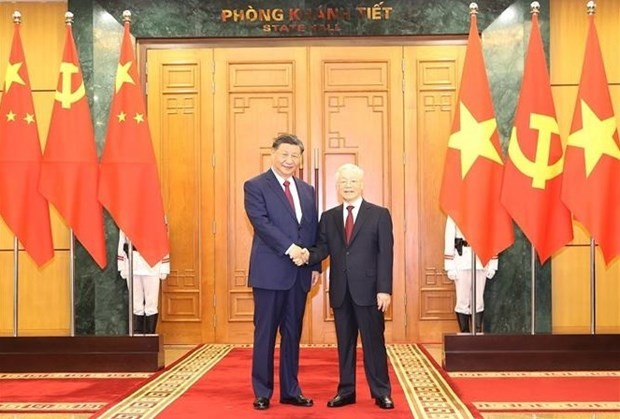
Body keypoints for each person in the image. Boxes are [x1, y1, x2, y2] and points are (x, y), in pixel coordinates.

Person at [297, 163, 395, 410]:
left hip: (371, 292)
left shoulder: (379, 214)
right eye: (343, 182)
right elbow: (322, 248)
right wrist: (307, 257)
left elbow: (386, 255)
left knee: (374, 344)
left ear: (361, 184)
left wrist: (385, 289)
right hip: (341, 292)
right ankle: (346, 391)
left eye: (352, 181)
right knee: (345, 345)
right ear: (338, 187)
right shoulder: (328, 217)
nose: (348, 186)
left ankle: (381, 391)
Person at [243, 133, 320, 411]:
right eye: (284, 154)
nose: (289, 160)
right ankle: (262, 391)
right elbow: (261, 224)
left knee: (292, 332)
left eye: (295, 156)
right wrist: (291, 249)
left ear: (300, 159)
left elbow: (311, 230)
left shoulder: (307, 190)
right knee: (265, 333)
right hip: (270, 273)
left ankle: (291, 390)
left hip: (300, 275)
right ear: (273, 154)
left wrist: (313, 265)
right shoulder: (255, 186)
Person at [443, 216, 497, 333]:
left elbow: (493, 237)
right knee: (462, 300)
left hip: (481, 259)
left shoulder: (485, 211)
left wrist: (493, 262)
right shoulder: (455, 212)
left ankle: (477, 333)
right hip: (461, 260)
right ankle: (465, 333)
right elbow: (449, 238)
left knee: (478, 301)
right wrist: (449, 265)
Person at [117, 229, 170, 334]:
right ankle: (137, 337)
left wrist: (165, 265)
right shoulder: (127, 216)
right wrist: (122, 264)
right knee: (136, 305)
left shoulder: (158, 215)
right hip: (132, 263)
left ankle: (150, 337)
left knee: (151, 305)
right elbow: (122, 241)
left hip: (153, 263)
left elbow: (163, 240)